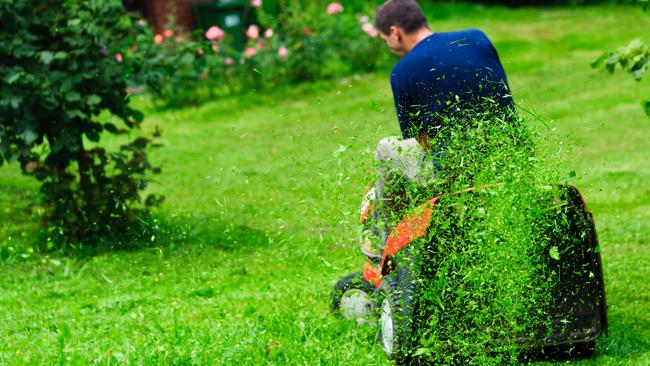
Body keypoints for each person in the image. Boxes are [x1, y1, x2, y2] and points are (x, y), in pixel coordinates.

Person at [360, 0, 515, 256]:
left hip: (457, 173)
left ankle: (383, 240)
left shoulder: (402, 72)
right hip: (509, 154)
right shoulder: (476, 38)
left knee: (386, 149)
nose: (388, 45)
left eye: (385, 38)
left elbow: (422, 142)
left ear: (395, 32)